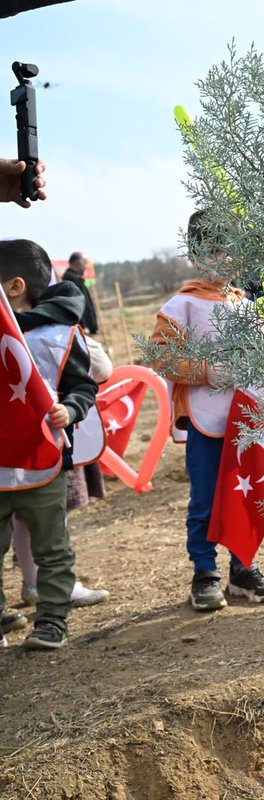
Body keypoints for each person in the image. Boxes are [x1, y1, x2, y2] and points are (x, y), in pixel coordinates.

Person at [148, 211, 264, 611]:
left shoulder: (248, 306)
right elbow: (159, 355)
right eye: (212, 251)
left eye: (230, 250)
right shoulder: (181, 305)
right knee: (206, 500)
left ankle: (243, 567)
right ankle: (204, 572)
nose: (223, 259)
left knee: (246, 493)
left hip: (247, 420)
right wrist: (204, 370)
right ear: (193, 256)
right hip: (206, 423)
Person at [0, 239, 97, 650]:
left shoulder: (60, 334)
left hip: (45, 460)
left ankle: (52, 620)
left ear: (15, 287)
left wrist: (69, 411)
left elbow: (83, 387)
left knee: (52, 547)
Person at [61, 252, 100, 335]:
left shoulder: (76, 279)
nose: (86, 266)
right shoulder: (71, 281)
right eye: (85, 263)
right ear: (78, 263)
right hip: (82, 330)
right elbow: (75, 305)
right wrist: (83, 325)